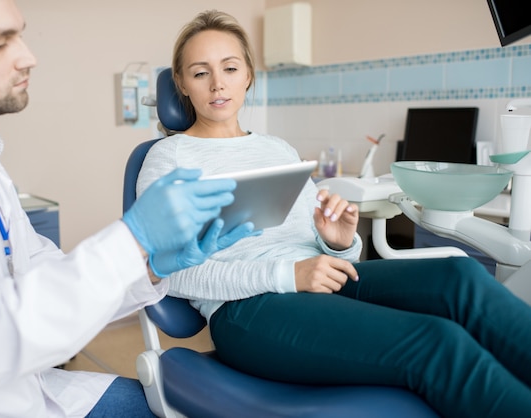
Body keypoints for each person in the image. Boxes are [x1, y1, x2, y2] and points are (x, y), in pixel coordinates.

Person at [136, 9, 531, 418]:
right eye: (200, 73)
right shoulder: (168, 158)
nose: (218, 83)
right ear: (181, 82)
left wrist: (338, 242)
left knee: (460, 275)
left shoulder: (277, 149)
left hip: (314, 286)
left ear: (249, 75)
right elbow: (167, 271)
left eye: (230, 68)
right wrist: (286, 275)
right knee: (438, 343)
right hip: (247, 310)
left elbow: (327, 256)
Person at [0, 1, 255, 417]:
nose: (28, 56)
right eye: (0, 43)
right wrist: (132, 240)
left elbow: (39, 269)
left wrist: (151, 265)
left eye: (19, 35)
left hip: (34, 387)